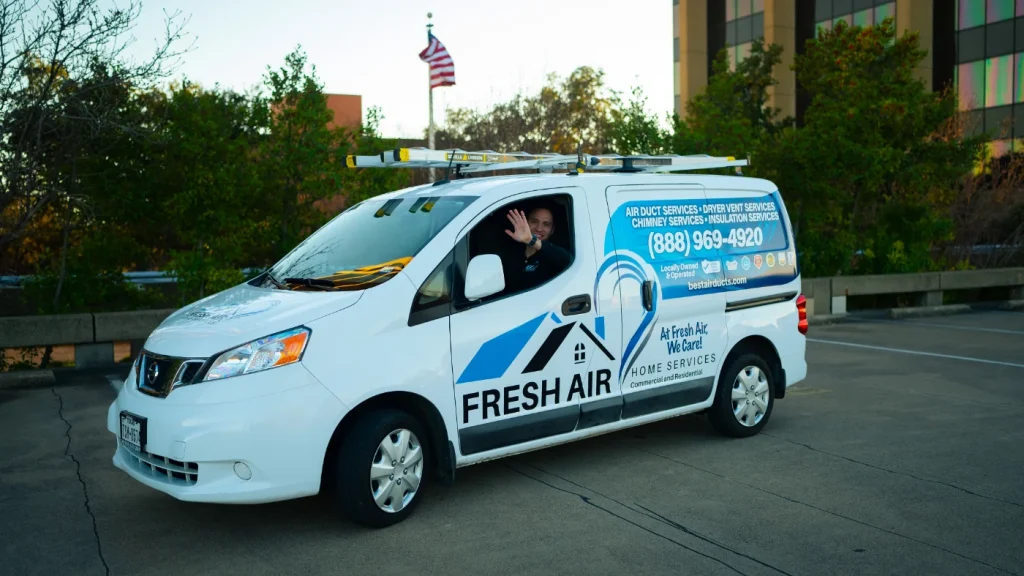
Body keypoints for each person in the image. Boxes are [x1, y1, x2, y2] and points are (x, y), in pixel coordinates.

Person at [498, 204, 571, 295]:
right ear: (526, 224)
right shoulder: (511, 252)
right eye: (534, 221)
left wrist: (530, 240)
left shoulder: (556, 255)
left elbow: (567, 260)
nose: (539, 228)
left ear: (552, 230)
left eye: (546, 224)